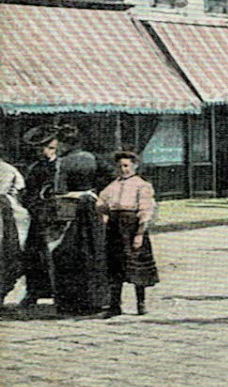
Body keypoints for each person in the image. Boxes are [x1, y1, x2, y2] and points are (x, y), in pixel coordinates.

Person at [19, 125, 108, 315]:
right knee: (37, 256)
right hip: (44, 216)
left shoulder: (66, 163)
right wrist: (38, 205)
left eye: (50, 147)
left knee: (73, 254)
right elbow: (29, 195)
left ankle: (74, 298)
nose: (46, 152)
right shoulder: (36, 169)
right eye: (42, 148)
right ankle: (35, 292)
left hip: (70, 214)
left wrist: (93, 195)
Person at [96, 152, 159, 317]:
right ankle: (115, 305)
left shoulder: (141, 185)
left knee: (136, 264)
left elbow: (146, 209)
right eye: (119, 166)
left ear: (134, 166)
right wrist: (105, 214)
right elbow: (101, 202)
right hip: (115, 227)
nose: (122, 169)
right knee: (115, 265)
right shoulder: (113, 185)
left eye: (126, 166)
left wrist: (139, 234)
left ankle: (141, 303)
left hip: (132, 227)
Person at [0, 152, 30, 306]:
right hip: (10, 215)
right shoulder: (9, 169)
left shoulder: (6, 170)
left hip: (7, 216)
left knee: (7, 254)